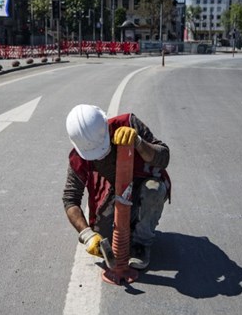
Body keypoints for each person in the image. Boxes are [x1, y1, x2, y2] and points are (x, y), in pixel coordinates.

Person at [63, 104, 170, 270]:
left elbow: (164, 158)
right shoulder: (79, 157)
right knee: (104, 240)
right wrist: (86, 234)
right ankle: (132, 226)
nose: (101, 154)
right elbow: (70, 199)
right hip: (113, 194)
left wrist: (139, 143)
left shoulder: (128, 124)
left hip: (142, 186)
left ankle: (141, 243)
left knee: (154, 190)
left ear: (106, 125)